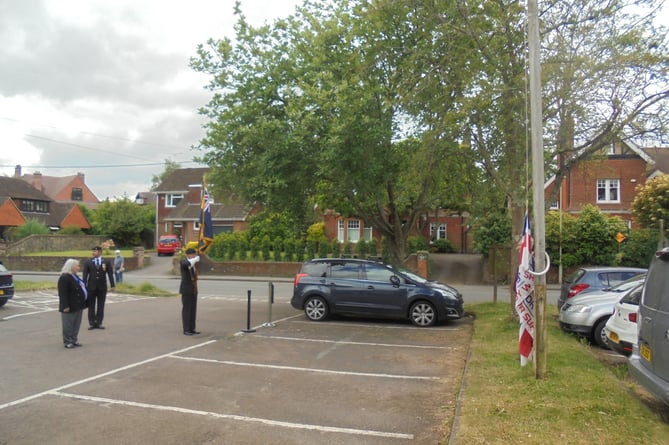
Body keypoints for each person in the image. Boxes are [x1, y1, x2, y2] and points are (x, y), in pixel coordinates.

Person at [82, 246, 115, 330]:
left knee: (101, 305)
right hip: (91, 287)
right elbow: (85, 275)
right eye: (93, 251)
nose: (93, 253)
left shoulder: (106, 261)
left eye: (95, 251)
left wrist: (112, 285)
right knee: (91, 306)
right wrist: (83, 286)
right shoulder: (88, 262)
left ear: (100, 252)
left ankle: (99, 322)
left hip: (102, 287)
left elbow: (110, 274)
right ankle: (92, 323)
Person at [58, 258, 87, 349]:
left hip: (78, 305)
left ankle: (74, 339)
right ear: (71, 267)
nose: (79, 268)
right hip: (69, 305)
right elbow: (62, 293)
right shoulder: (65, 277)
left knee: (76, 324)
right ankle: (68, 341)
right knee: (68, 324)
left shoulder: (75, 276)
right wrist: (65, 305)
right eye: (77, 266)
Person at [180, 248, 200, 335]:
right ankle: (186, 329)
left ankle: (192, 328)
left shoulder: (194, 263)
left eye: (195, 255)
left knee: (193, 309)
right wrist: (194, 260)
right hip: (186, 289)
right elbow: (187, 264)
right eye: (193, 255)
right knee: (187, 309)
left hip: (193, 289)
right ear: (188, 255)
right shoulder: (183, 261)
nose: (194, 256)